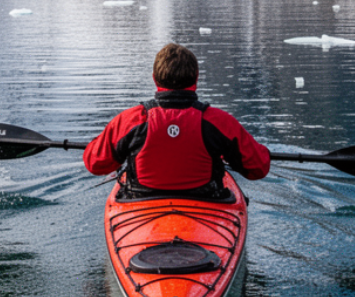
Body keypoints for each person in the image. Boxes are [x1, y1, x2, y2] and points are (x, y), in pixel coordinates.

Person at [83, 43, 271, 198]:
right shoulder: (219, 122)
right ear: (196, 78)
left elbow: (95, 164)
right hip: (207, 202)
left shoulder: (130, 120)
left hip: (140, 203)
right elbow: (258, 168)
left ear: (154, 79)